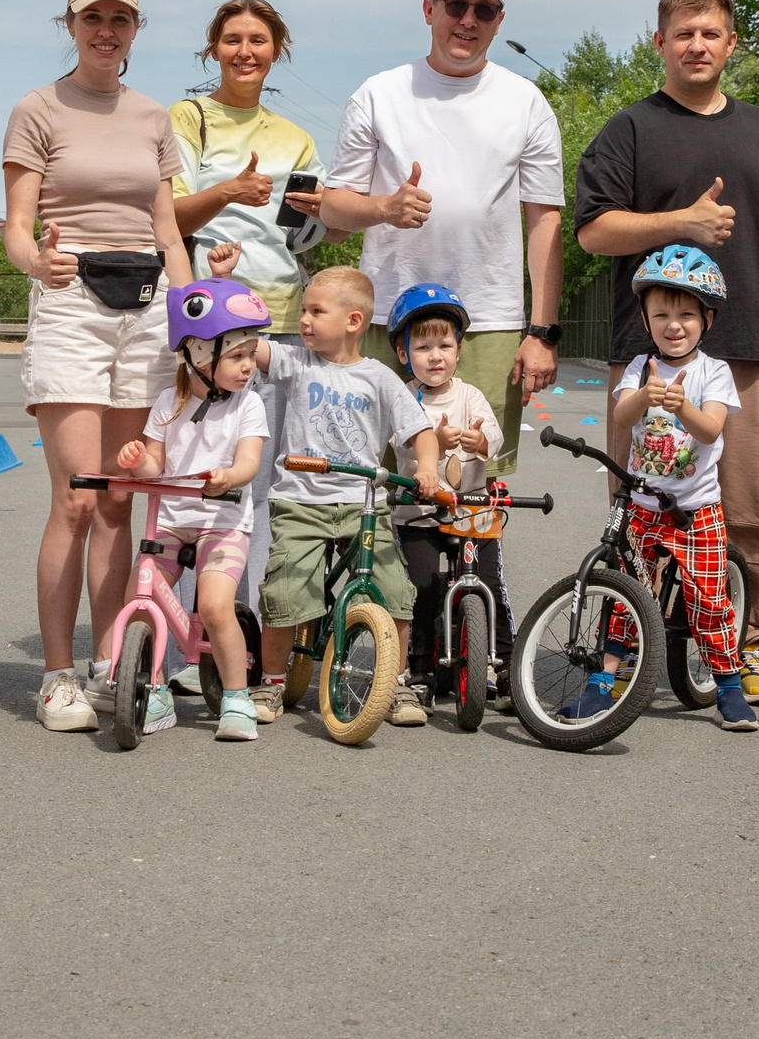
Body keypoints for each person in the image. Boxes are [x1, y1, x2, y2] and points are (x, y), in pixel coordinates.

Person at [576, 0, 759, 708]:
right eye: (683, 33)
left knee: (747, 508)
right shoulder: (629, 130)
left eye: (711, 33)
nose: (697, 45)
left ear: (730, 43)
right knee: (642, 508)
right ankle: (628, 648)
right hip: (649, 355)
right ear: (660, 42)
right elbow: (594, 229)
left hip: (749, 350)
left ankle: (749, 646)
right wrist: (678, 221)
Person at [2, 0, 228, 733]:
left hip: (144, 309)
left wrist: (196, 318)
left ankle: (110, 664)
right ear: (69, 23)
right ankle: (55, 674)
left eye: (120, 19)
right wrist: (39, 260)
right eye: (92, 17)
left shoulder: (153, 117)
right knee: (73, 494)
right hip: (71, 300)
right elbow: (16, 228)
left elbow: (169, 233)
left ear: (135, 29)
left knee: (119, 497)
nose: (106, 30)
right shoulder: (37, 109)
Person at [322, 0, 564, 475]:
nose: (468, 20)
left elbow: (544, 219)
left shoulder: (526, 101)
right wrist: (384, 207)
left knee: (476, 477)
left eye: (485, 9)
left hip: (488, 321)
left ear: (500, 21)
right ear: (429, 10)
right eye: (455, 5)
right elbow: (334, 206)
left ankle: (476, 562)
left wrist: (542, 331)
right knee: (381, 474)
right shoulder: (379, 93)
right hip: (389, 315)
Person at [170, 0, 325, 628]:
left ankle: (252, 623)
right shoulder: (189, 118)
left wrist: (319, 216)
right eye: (231, 39)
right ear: (213, 50)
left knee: (262, 488)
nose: (244, 51)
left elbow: (306, 238)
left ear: (276, 51)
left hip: (280, 320)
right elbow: (171, 215)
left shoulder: (296, 138)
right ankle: (190, 628)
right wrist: (230, 190)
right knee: (197, 479)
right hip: (210, 320)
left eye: (258, 40)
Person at [570, 246, 756, 731]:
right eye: (662, 315)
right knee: (624, 593)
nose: (674, 325)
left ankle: (729, 685)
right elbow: (621, 415)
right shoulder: (639, 367)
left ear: (707, 319)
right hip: (643, 506)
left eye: (687, 315)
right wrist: (643, 396)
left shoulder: (713, 372)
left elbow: (711, 429)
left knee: (710, 600)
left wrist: (681, 407)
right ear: (646, 320)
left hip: (696, 509)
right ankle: (604, 680)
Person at [257, 267, 441, 725]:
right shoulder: (297, 363)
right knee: (284, 590)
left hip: (363, 504)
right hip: (301, 501)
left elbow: (421, 431)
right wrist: (227, 283)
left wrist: (429, 470)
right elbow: (251, 343)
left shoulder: (378, 377)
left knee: (396, 592)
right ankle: (271, 681)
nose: (304, 320)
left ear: (353, 321)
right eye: (303, 310)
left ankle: (395, 686)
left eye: (316, 311)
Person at [110, 279, 274, 741]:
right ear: (200, 355)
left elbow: (248, 463)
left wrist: (229, 477)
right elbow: (155, 465)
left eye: (251, 355)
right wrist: (136, 460)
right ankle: (154, 686)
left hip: (223, 522)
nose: (249, 367)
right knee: (139, 599)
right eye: (238, 356)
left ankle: (238, 697)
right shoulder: (169, 403)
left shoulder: (249, 406)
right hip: (172, 521)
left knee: (216, 606)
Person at [385, 283, 502, 722]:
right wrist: (433, 440)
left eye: (445, 345)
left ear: (458, 350)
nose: (435, 356)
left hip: (468, 511)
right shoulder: (404, 395)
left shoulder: (469, 395)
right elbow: (398, 440)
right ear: (403, 352)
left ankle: (493, 659)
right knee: (422, 589)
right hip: (417, 514)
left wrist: (479, 439)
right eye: (423, 346)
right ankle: (419, 670)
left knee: (486, 582)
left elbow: (495, 435)